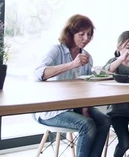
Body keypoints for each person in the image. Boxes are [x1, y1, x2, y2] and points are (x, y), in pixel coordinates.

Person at [33, 14, 110, 157]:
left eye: (89, 34)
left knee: (105, 121)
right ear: (70, 33)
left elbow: (85, 86)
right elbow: (38, 74)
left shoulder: (87, 57)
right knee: (87, 125)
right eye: (81, 34)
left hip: (76, 107)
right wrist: (71, 64)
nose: (86, 38)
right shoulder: (56, 50)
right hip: (51, 110)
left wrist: (85, 109)